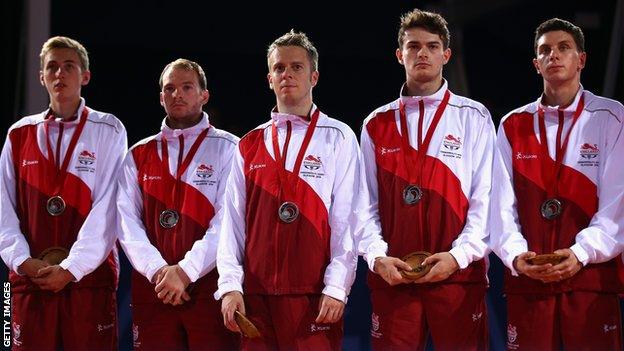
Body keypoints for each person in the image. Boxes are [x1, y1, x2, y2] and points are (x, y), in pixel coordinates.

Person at [357, 9, 495, 350]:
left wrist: (459, 256)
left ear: (446, 55)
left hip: (458, 277)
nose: (422, 53)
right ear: (399, 54)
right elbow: (364, 206)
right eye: (413, 46)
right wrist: (376, 257)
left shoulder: (473, 117)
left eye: (432, 46)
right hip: (395, 276)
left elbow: (487, 200)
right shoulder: (376, 124)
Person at [216, 30, 361, 350]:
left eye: (296, 67)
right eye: (279, 68)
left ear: (314, 76)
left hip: (312, 295)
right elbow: (232, 223)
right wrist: (229, 285)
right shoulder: (249, 144)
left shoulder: (338, 136)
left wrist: (337, 286)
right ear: (269, 78)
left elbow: (348, 218)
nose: (287, 74)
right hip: (256, 298)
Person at [490, 17, 624, 351]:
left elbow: (617, 203)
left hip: (590, 279)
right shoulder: (513, 125)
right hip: (530, 280)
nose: (554, 55)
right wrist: (516, 256)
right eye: (545, 50)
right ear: (536, 64)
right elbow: (500, 205)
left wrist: (580, 252)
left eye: (564, 48)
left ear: (581, 59)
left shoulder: (611, 117)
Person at [0, 36, 126, 350]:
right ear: (41, 77)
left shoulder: (108, 130)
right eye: (52, 67)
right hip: (32, 278)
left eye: (68, 66)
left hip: (89, 280)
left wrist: (71, 268)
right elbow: (3, 208)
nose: (60, 74)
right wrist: (22, 261)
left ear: (85, 76)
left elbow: (109, 208)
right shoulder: (19, 134)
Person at [116, 58, 240, 350]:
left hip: (209, 286)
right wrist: (159, 272)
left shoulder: (231, 148)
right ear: (161, 97)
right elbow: (126, 223)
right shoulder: (138, 154)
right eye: (169, 88)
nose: (177, 94)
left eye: (187, 87)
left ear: (204, 95)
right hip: (154, 288)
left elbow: (227, 222)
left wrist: (185, 272)